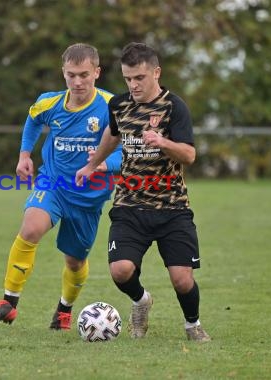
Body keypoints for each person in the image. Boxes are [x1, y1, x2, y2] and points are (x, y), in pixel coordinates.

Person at [76, 42, 211, 342]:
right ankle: (141, 301)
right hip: (130, 202)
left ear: (156, 73)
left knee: (181, 278)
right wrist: (92, 165)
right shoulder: (119, 106)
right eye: (128, 79)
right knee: (121, 271)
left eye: (139, 78)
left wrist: (163, 143)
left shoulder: (174, 107)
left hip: (172, 205)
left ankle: (193, 325)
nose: (133, 85)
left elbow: (189, 155)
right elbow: (112, 136)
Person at [0, 43, 122, 330]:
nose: (77, 82)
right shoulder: (50, 103)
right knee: (31, 227)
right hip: (53, 183)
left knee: (74, 261)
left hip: (89, 197)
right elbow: (33, 119)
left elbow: (129, 148)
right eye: (71, 75)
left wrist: (102, 164)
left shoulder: (112, 107)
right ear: (63, 73)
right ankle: (9, 302)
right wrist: (24, 155)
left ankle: (64, 311)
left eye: (84, 74)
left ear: (97, 72)